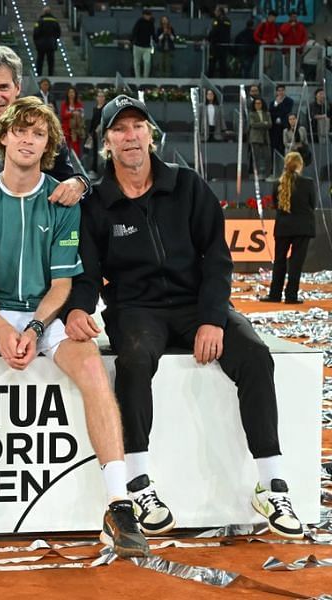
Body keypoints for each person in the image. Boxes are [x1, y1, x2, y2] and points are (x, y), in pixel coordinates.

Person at [0, 96, 149, 562]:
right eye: (20, 131)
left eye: (38, 134)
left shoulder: (62, 200)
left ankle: (119, 503)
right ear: (3, 138)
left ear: (48, 144)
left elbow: (61, 284)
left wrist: (36, 327)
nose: (28, 139)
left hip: (44, 312)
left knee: (93, 369)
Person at [64, 95, 305, 540]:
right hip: (135, 309)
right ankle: (138, 483)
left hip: (197, 304)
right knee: (133, 361)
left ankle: (272, 483)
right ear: (107, 142)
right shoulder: (97, 202)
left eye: (138, 126)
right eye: (119, 129)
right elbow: (88, 272)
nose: (130, 136)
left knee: (255, 355)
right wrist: (77, 308)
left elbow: (216, 257)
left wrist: (213, 317)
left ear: (150, 134)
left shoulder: (189, 186)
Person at [0, 45, 88, 324]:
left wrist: (78, 183)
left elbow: (68, 175)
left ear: (18, 87)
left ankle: (73, 306)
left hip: (38, 245)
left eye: (3, 87)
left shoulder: (46, 132)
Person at [261, 152, 315, 304]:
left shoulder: (278, 183)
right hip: (303, 227)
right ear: (300, 165)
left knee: (279, 261)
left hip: (283, 227)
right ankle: (291, 296)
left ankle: (275, 294)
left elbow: (275, 204)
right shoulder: (308, 182)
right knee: (296, 263)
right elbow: (313, 204)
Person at [33, 7, 61, 77]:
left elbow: (35, 32)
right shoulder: (55, 21)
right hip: (51, 44)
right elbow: (59, 33)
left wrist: (36, 41)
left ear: (43, 12)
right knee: (51, 61)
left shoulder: (39, 21)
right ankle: (50, 75)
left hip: (41, 44)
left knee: (40, 60)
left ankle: (38, 75)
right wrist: (54, 39)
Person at [279, 11, 308, 78]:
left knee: (297, 65)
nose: (294, 18)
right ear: (289, 17)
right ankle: (290, 78)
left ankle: (296, 78)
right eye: (292, 16)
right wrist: (290, 26)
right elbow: (283, 32)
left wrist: (303, 43)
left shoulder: (300, 26)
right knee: (288, 65)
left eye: (295, 16)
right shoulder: (285, 25)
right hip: (288, 50)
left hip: (298, 50)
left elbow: (305, 36)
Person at [250, 97, 273, 176]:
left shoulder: (267, 113)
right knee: (256, 158)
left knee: (267, 157)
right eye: (256, 103)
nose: (258, 105)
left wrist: (262, 124)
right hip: (255, 138)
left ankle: (267, 174)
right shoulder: (252, 114)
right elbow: (253, 125)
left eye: (259, 103)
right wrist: (264, 123)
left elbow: (270, 124)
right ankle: (257, 174)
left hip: (265, 138)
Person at [255, 11, 282, 77]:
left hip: (272, 48)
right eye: (274, 17)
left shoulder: (275, 25)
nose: (275, 19)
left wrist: (278, 40)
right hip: (265, 48)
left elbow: (277, 36)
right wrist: (260, 41)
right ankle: (263, 78)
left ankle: (267, 78)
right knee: (265, 64)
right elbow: (256, 34)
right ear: (270, 16)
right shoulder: (263, 24)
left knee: (270, 65)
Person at [205, 9, 230, 78]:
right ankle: (223, 77)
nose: (215, 13)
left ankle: (211, 77)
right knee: (222, 62)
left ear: (220, 12)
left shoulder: (217, 21)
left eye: (216, 11)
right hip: (223, 45)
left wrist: (208, 38)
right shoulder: (227, 20)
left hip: (216, 45)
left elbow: (214, 31)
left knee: (213, 62)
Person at [89, 89, 109, 174]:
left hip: (102, 133)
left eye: (102, 96)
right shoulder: (95, 108)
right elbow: (93, 120)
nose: (100, 98)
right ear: (97, 98)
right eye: (99, 96)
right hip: (94, 133)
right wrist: (90, 132)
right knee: (94, 151)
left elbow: (105, 119)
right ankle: (94, 169)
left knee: (101, 151)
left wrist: (100, 127)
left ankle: (102, 170)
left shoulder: (106, 108)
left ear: (104, 98)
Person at [270, 85, 294, 155]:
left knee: (284, 145)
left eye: (282, 90)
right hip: (274, 128)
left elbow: (286, 111)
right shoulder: (273, 102)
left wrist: (280, 104)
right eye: (279, 91)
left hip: (284, 125)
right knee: (275, 145)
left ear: (285, 91)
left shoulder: (289, 101)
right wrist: (276, 103)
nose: (281, 92)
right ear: (276, 92)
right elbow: (271, 112)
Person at [60, 86, 84, 155]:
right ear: (67, 94)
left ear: (75, 94)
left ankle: (75, 163)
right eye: (70, 92)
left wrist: (70, 113)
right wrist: (72, 113)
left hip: (76, 129)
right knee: (66, 148)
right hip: (66, 129)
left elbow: (82, 115)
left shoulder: (79, 104)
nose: (71, 94)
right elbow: (63, 115)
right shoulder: (64, 104)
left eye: (73, 92)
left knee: (76, 148)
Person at [131, 9, 155, 79]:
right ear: (144, 15)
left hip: (147, 47)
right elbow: (134, 32)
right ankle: (137, 77)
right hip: (137, 46)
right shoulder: (139, 22)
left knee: (147, 62)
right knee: (137, 62)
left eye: (149, 15)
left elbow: (152, 34)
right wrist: (131, 40)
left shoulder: (151, 23)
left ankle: (145, 77)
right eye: (147, 15)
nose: (148, 17)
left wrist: (156, 40)